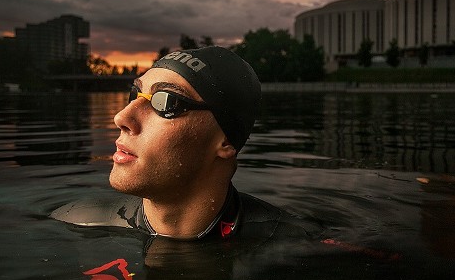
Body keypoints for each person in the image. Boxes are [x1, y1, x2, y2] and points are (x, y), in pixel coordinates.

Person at [52, 46, 318, 241]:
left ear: (225, 141)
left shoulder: (295, 245)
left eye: (166, 101)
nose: (121, 117)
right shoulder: (77, 222)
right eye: (135, 93)